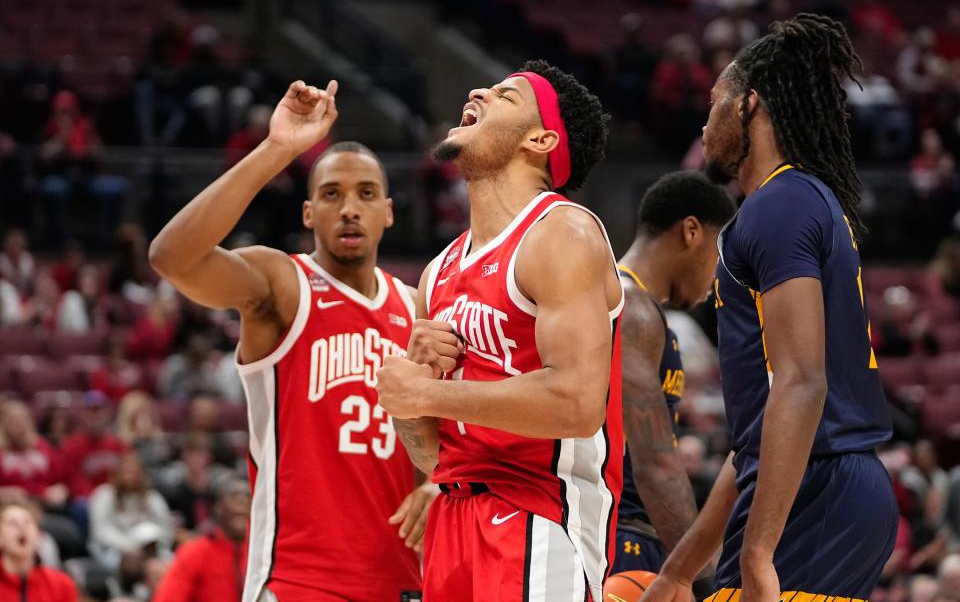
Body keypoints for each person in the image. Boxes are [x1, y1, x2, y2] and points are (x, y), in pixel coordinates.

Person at [149, 79, 435, 602]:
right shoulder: (281, 283)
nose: (349, 208)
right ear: (308, 214)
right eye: (331, 195)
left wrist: (441, 482)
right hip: (297, 581)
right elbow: (172, 257)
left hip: (401, 582)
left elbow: (453, 436)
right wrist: (276, 149)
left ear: (389, 212)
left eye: (366, 194)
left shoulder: (419, 308)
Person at [645, 14, 897, 602]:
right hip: (817, 488)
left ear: (749, 104)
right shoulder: (795, 202)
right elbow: (761, 440)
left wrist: (758, 552)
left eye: (715, 101)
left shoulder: (779, 204)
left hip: (819, 493)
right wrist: (681, 570)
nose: (705, 123)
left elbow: (803, 384)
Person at [377, 59, 623, 600]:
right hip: (452, 518)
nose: (476, 91)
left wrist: (429, 391)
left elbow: (578, 403)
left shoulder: (562, 232)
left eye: (505, 96)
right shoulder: (438, 271)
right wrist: (408, 403)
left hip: (538, 518)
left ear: (540, 138)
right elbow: (434, 455)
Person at [612, 171, 735, 586]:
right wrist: (705, 580)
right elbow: (656, 464)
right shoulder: (632, 309)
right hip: (622, 537)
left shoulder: (634, 306)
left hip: (633, 533)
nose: (718, 277)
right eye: (720, 255)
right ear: (691, 232)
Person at [153, 474, 250, 602]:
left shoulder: (268, 554)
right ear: (217, 508)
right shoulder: (195, 552)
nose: (240, 501)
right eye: (233, 496)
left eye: (247, 497)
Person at [0, 496, 78, 601]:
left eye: (27, 522)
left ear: (39, 535)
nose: (22, 527)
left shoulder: (62, 584)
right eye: (12, 523)